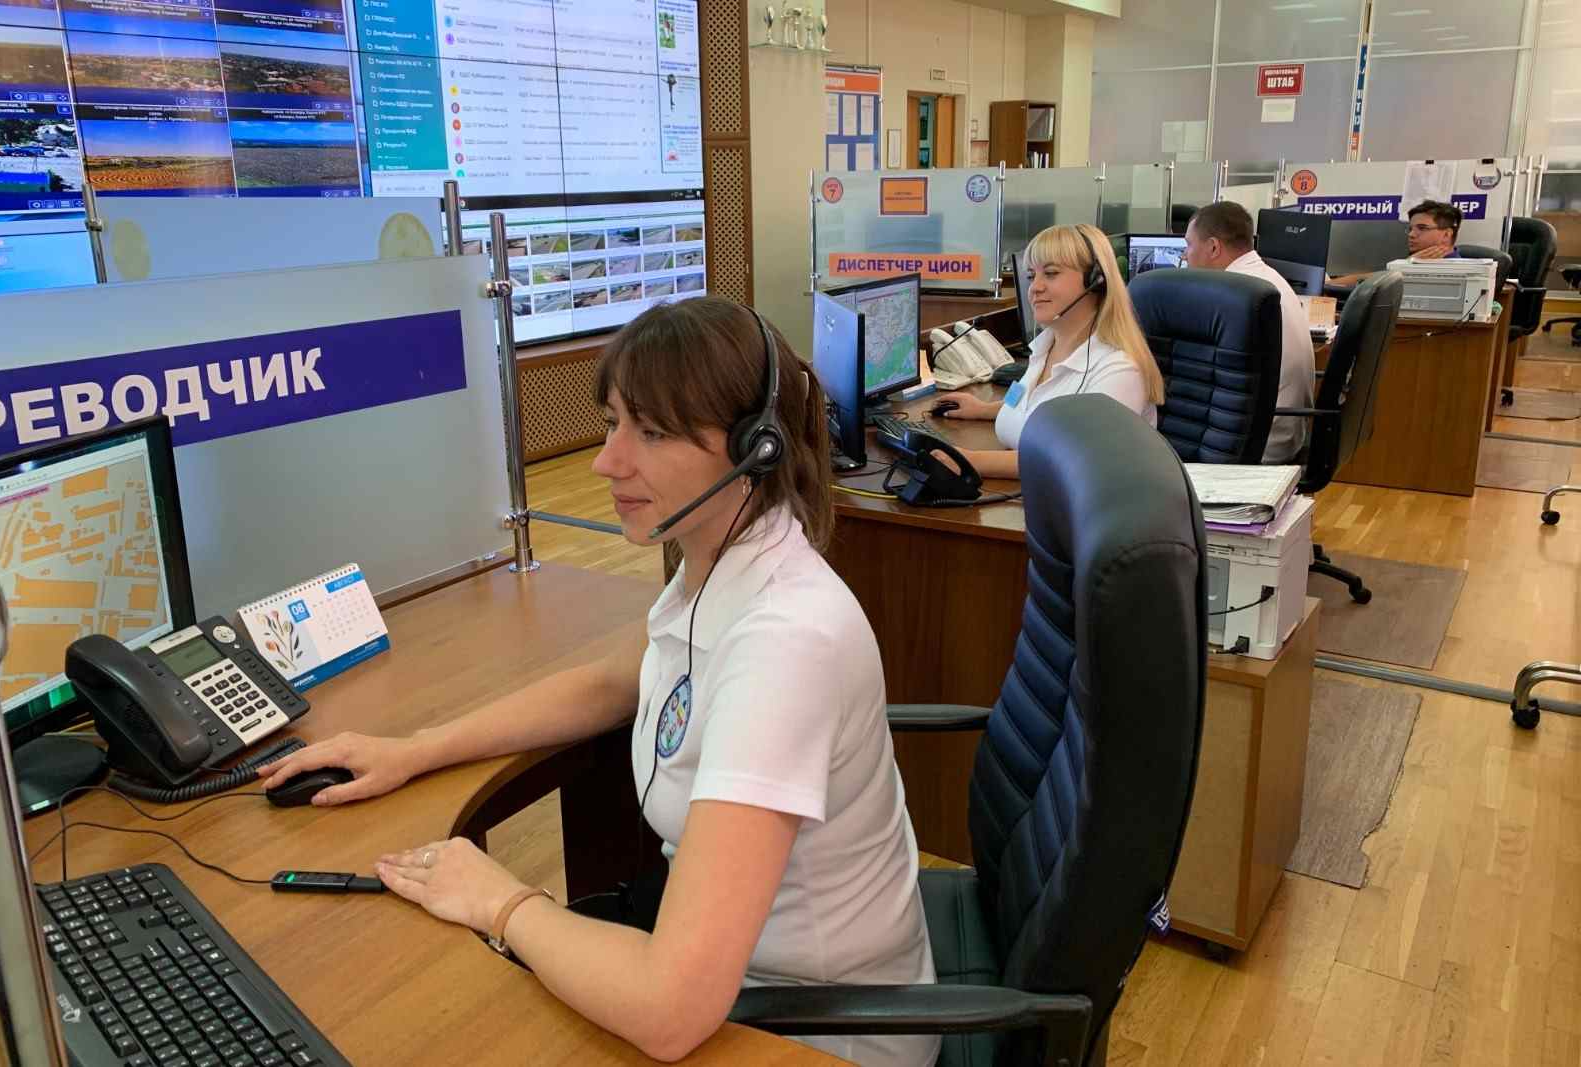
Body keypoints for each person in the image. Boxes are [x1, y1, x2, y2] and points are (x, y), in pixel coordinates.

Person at [261, 297, 939, 1067]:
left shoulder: (785, 642)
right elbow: (611, 683)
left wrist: (501, 899)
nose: (606, 460)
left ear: (754, 448)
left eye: (650, 431)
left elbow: (670, 1008)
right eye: (614, 422)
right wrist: (416, 748)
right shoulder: (719, 562)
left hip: (819, 1034)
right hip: (740, 978)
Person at [932, 223, 1164, 480]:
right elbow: (1036, 405)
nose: (1035, 287)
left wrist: (970, 460)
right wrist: (985, 409)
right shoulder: (1046, 346)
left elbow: (1073, 459)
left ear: (1096, 281)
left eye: (1051, 273)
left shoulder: (1119, 370)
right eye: (1032, 276)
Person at [1183, 200, 1315, 464]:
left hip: (1258, 445)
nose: (1185, 255)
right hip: (1283, 431)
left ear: (1213, 247)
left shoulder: (1234, 293)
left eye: (1188, 245)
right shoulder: (1266, 278)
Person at [1328, 198, 1462, 286]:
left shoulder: (1456, 273)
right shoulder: (1416, 262)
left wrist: (1406, 268)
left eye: (1422, 228)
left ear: (1447, 234)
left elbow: (1378, 282)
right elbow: (1373, 280)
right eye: (1410, 229)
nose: (1411, 234)